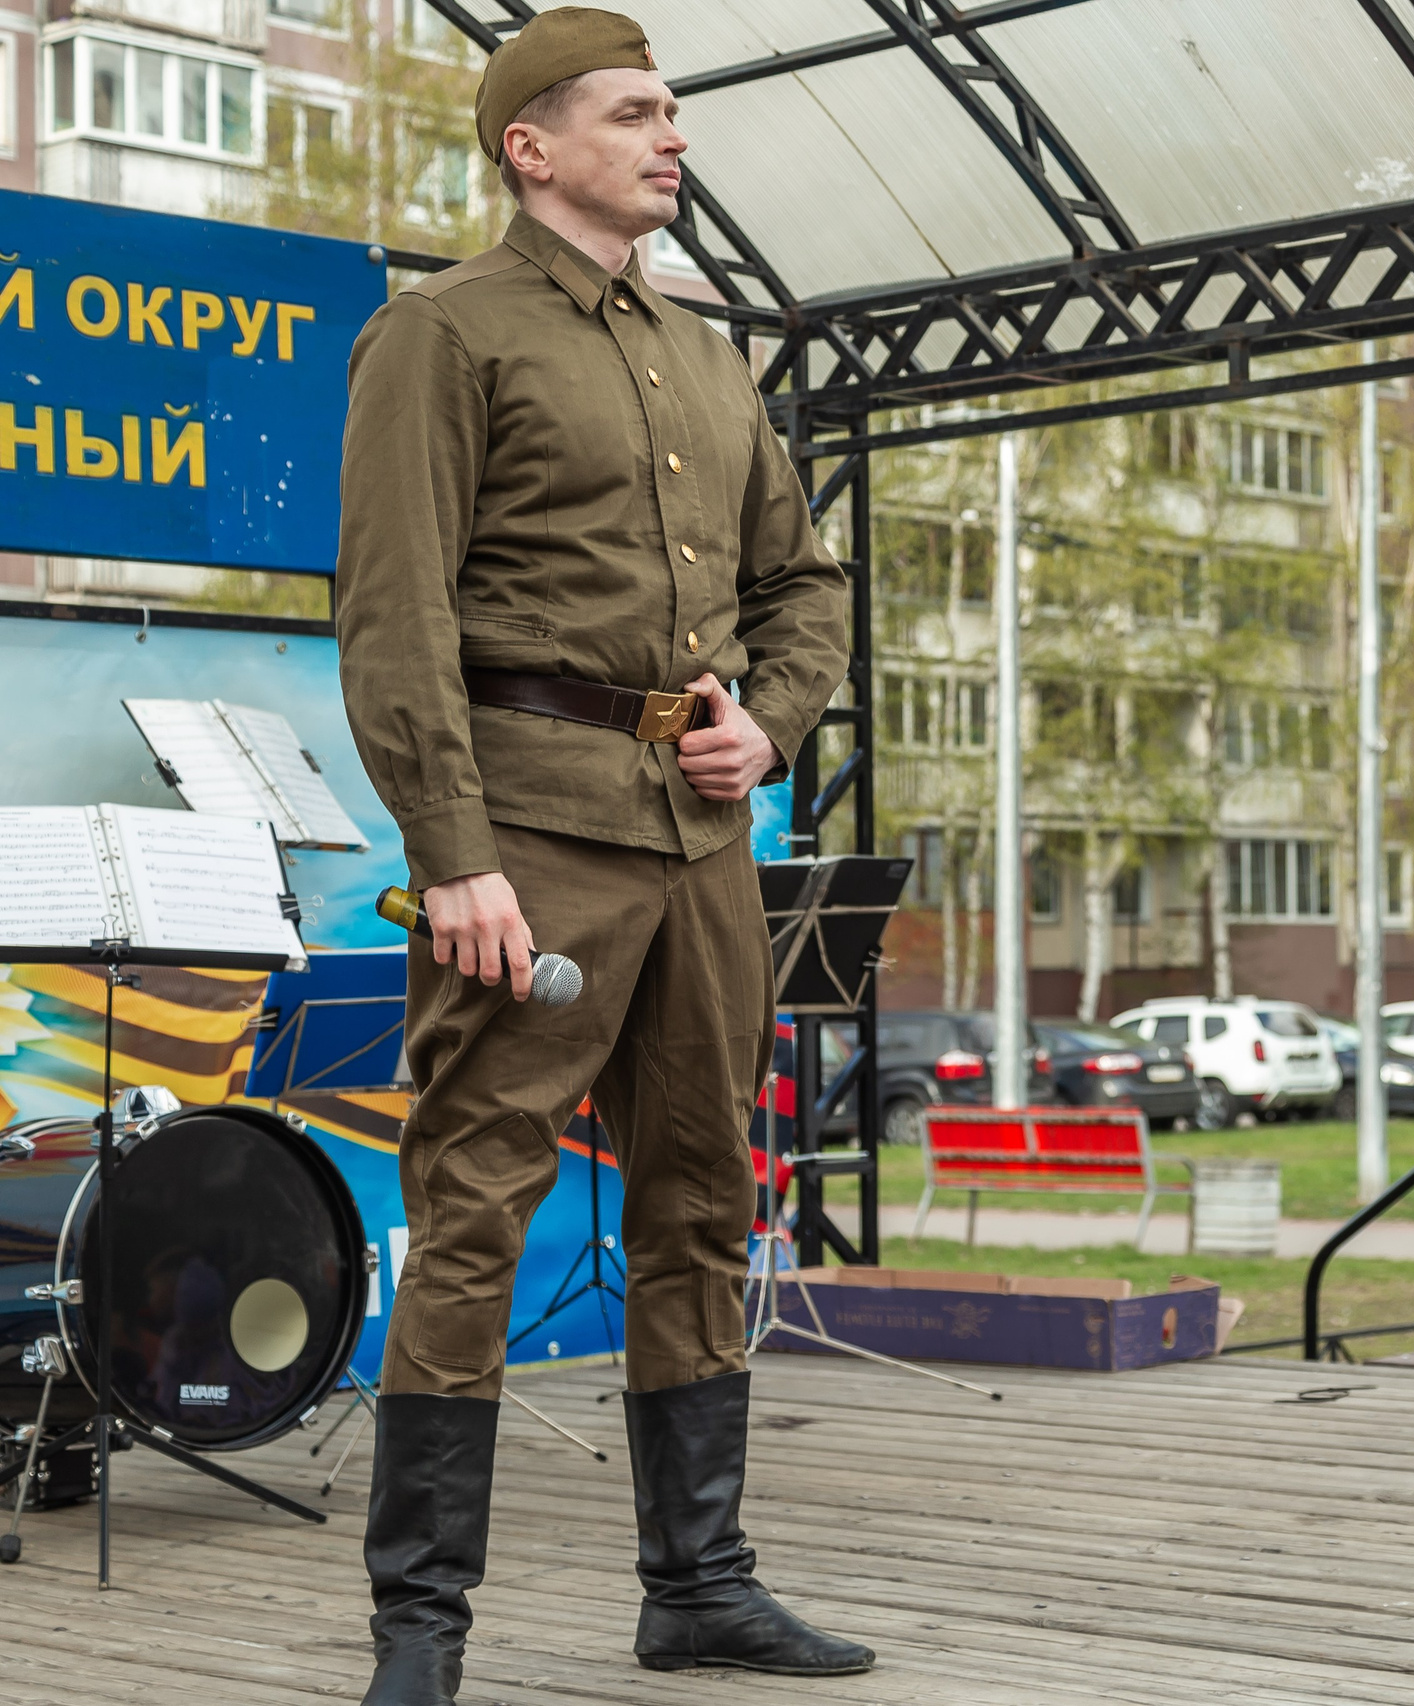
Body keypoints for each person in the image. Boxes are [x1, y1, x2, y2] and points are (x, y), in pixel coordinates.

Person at [334, 12, 869, 1702]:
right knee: (477, 1207)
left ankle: (698, 1586)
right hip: (528, 832)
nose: (673, 137)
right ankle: (421, 1635)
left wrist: (768, 727)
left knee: (707, 1200)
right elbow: (394, 612)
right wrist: (455, 852)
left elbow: (808, 590)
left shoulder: (710, 355)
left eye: (674, 113)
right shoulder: (440, 333)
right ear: (530, 145)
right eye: (636, 113)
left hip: (702, 840)